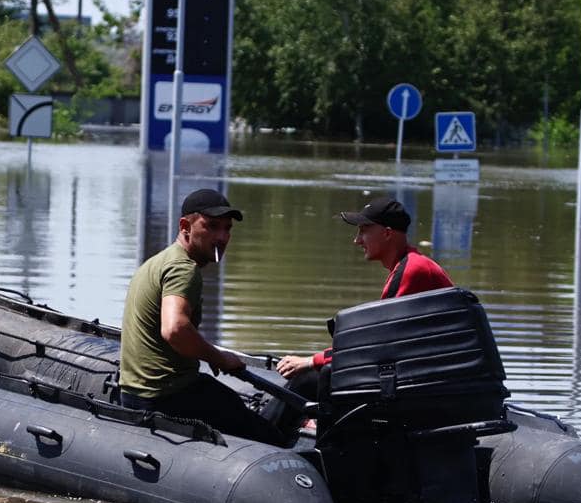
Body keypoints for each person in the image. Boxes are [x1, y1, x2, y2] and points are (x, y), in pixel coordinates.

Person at [266, 196, 454, 431]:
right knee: (323, 374)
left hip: (425, 385)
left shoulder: (412, 270)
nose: (357, 240)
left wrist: (310, 361)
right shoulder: (410, 265)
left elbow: (376, 346)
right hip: (422, 375)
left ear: (387, 233)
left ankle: (264, 436)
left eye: (364, 231)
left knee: (308, 378)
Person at [119, 188, 286, 445]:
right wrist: (219, 357)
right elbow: (175, 329)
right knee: (273, 440)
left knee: (225, 400)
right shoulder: (183, 269)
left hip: (134, 393)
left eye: (227, 229)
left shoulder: (159, 261)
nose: (222, 237)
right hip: (165, 397)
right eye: (211, 226)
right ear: (185, 225)